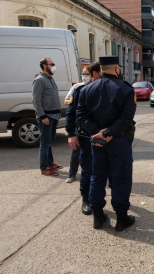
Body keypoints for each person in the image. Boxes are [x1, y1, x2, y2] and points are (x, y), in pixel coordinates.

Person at [76, 56, 136, 231]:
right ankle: (121, 218)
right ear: (117, 68)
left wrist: (97, 132)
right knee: (121, 178)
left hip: (96, 141)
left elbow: (81, 116)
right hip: (118, 140)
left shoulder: (86, 90)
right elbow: (126, 118)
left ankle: (98, 216)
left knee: (97, 176)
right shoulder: (126, 90)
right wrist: (108, 133)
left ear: (101, 69)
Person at [65, 62, 101, 215]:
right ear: (96, 73)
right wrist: (71, 134)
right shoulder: (79, 90)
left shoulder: (109, 89)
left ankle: (101, 200)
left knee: (102, 170)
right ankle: (85, 200)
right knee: (87, 169)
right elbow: (71, 113)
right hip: (85, 136)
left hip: (104, 137)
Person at [32, 57, 63, 176]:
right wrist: (42, 116)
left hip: (54, 115)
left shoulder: (50, 78)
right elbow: (36, 100)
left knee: (50, 140)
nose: (54, 66)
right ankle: (44, 167)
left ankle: (50, 162)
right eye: (52, 64)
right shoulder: (40, 80)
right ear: (45, 66)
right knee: (45, 142)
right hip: (46, 116)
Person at [64, 67, 91, 183]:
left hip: (91, 125)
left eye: (87, 74)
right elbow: (67, 102)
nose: (84, 76)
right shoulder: (77, 87)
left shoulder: (97, 86)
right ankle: (72, 174)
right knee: (77, 150)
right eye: (83, 74)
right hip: (78, 124)